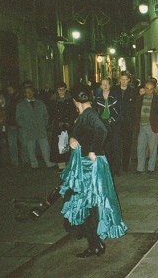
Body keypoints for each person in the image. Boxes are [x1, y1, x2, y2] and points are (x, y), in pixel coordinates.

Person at [60, 83, 127, 258]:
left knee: (90, 205)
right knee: (87, 205)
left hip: (91, 166)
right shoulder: (86, 114)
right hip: (84, 166)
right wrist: (74, 138)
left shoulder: (89, 114)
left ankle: (95, 244)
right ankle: (95, 244)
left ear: (75, 101)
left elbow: (102, 130)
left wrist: (93, 151)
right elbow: (85, 133)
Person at [16, 85, 55, 169]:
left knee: (45, 147)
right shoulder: (21, 105)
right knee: (31, 149)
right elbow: (18, 118)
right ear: (24, 94)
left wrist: (45, 123)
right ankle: (34, 165)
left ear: (33, 92)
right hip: (29, 130)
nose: (29, 93)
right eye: (27, 92)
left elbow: (46, 114)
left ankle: (49, 163)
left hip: (40, 128)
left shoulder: (40, 102)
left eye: (30, 91)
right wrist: (24, 126)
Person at [133, 80, 158, 174]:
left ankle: (151, 168)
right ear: (144, 89)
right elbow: (135, 112)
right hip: (141, 126)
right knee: (140, 148)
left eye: (151, 89)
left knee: (153, 148)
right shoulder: (139, 98)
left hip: (152, 127)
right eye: (147, 88)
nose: (149, 91)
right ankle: (140, 168)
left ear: (153, 90)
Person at [93, 78, 123, 177]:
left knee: (116, 146)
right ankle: (108, 168)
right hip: (103, 125)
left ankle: (117, 168)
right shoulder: (97, 98)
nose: (105, 86)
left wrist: (113, 119)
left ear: (110, 85)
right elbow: (95, 111)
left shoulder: (115, 96)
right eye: (103, 84)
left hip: (114, 124)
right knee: (106, 147)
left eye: (107, 84)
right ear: (100, 86)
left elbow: (120, 110)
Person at [48, 82, 77, 172]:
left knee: (69, 144)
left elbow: (73, 112)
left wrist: (69, 122)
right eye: (59, 90)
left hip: (68, 125)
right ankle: (61, 165)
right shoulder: (53, 100)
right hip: (58, 126)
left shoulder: (70, 99)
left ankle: (70, 164)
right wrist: (57, 121)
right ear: (57, 90)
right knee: (58, 145)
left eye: (63, 89)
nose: (61, 92)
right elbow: (51, 113)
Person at [113, 71, 137, 173]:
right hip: (117, 121)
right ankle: (117, 166)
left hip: (128, 121)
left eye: (125, 80)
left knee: (127, 144)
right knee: (117, 144)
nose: (123, 82)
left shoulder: (132, 91)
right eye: (122, 79)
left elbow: (134, 107)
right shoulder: (114, 90)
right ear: (119, 80)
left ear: (128, 80)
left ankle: (125, 165)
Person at [5, 84, 26, 167]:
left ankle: (25, 160)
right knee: (12, 145)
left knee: (24, 144)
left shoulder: (21, 99)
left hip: (20, 124)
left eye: (11, 89)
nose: (9, 91)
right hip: (10, 124)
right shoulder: (8, 99)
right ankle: (15, 162)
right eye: (8, 90)